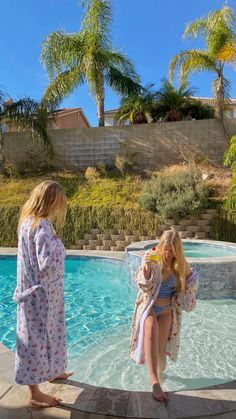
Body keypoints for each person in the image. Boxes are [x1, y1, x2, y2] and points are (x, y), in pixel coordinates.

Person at [13, 180, 73, 407]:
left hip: (42, 295)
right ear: (49, 202)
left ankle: (52, 370)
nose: (59, 207)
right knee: (35, 340)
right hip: (41, 296)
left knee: (51, 335)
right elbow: (47, 264)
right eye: (57, 203)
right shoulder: (40, 227)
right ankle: (34, 393)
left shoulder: (28, 222)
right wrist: (58, 245)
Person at [129, 229, 198, 402]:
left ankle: (159, 376)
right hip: (150, 307)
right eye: (165, 249)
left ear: (177, 250)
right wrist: (145, 268)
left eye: (172, 250)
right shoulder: (153, 258)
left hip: (167, 311)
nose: (168, 253)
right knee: (150, 326)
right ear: (161, 246)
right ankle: (154, 382)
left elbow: (190, 288)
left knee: (159, 352)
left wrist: (189, 282)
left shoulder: (181, 265)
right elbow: (142, 285)